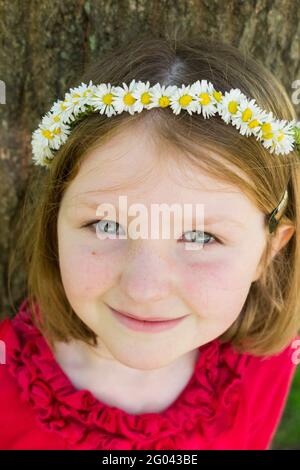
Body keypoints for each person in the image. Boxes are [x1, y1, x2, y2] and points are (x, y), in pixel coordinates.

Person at [0, 34, 299, 450]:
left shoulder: (266, 366)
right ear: (54, 223)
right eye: (107, 226)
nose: (144, 289)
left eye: (199, 236)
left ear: (268, 252)